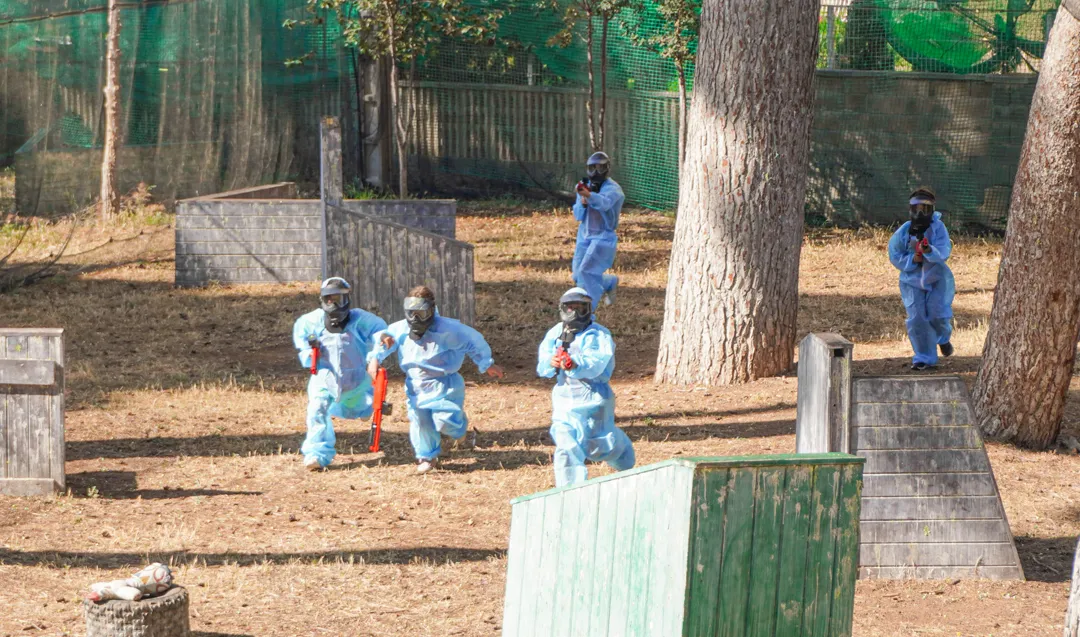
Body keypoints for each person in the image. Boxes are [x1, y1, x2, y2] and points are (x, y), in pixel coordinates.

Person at [366, 286, 504, 474]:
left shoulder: (449, 330)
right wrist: (375, 357)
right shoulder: (400, 329)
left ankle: (458, 430)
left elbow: (473, 342)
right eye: (412, 313)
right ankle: (427, 457)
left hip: (445, 385)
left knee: (446, 421)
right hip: (416, 386)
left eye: (421, 313)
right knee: (421, 422)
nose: (416, 319)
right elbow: (383, 339)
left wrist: (486, 363)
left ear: (431, 311)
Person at [537, 287, 635, 487]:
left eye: (580, 308)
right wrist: (551, 362)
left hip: (594, 399)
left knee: (596, 446)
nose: (574, 313)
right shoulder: (556, 332)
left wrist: (575, 364)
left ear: (588, 309)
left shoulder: (598, 334)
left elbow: (597, 363)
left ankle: (622, 453)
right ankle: (569, 490)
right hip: (564, 400)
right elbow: (543, 361)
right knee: (565, 441)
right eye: (570, 308)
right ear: (562, 309)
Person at [292, 277, 388, 470]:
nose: (334, 304)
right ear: (322, 300)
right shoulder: (310, 322)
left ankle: (364, 410)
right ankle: (317, 454)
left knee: (361, 407)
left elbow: (381, 334)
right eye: (329, 299)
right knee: (317, 410)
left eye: (339, 299)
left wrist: (378, 352)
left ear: (348, 299)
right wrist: (310, 353)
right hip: (324, 380)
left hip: (357, 382)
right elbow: (302, 345)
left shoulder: (361, 320)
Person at [888, 186, 955, 371]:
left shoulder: (938, 228)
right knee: (917, 319)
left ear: (932, 210)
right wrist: (913, 259)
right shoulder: (904, 231)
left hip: (936, 279)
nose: (919, 214)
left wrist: (929, 251)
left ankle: (943, 338)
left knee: (937, 315)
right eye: (916, 208)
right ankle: (924, 358)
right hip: (912, 282)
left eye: (924, 209)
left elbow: (944, 251)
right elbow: (894, 254)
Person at [572, 151, 624, 310]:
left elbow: (604, 204)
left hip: (603, 237)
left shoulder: (614, 189)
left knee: (586, 272)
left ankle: (586, 311)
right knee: (578, 276)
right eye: (592, 168)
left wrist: (589, 196)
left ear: (607, 169)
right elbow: (578, 215)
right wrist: (582, 202)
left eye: (600, 168)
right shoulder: (584, 186)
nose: (595, 172)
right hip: (584, 235)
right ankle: (609, 282)